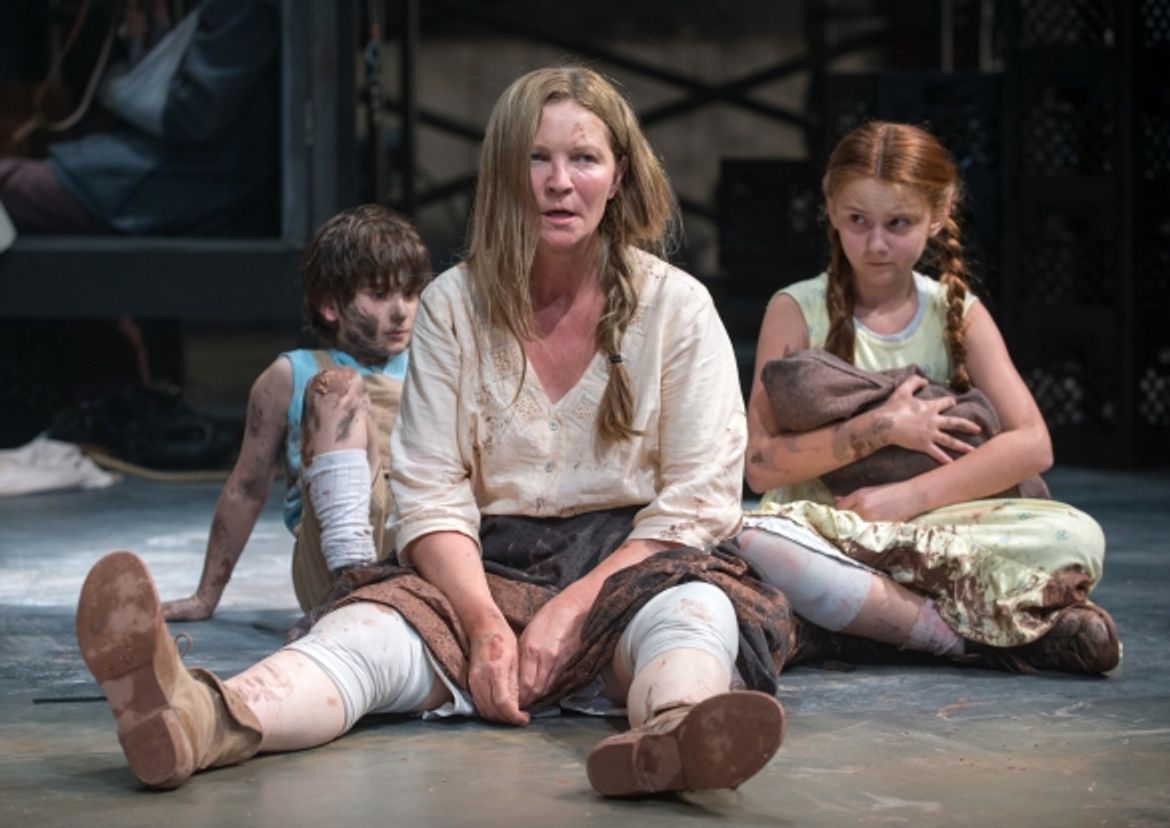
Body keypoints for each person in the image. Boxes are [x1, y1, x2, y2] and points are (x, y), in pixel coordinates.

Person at [75, 65, 796, 796]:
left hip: (632, 568)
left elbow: (699, 500)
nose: (557, 181)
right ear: (505, 177)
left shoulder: (677, 307)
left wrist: (575, 609)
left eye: (583, 158)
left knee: (694, 615)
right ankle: (199, 719)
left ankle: (675, 733)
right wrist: (484, 624)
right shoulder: (455, 303)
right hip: (480, 565)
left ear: (618, 176)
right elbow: (429, 492)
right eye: (535, 158)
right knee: (359, 640)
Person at [738, 120, 1120, 675]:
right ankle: (976, 629)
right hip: (831, 526)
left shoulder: (956, 313)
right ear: (831, 209)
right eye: (857, 221)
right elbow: (760, 466)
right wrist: (882, 429)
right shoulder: (797, 309)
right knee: (757, 540)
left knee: (1078, 536)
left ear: (938, 216)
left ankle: (861, 625)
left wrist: (908, 498)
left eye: (899, 224)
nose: (875, 244)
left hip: (931, 532)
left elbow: (1033, 444)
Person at [162, 203, 431, 620]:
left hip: (423, 551)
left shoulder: (432, 364)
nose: (401, 311)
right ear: (331, 307)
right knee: (337, 387)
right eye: (379, 295)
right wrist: (205, 597)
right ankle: (352, 580)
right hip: (329, 566)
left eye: (410, 294)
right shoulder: (290, 375)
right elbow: (246, 487)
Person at [0, 0, 278, 236]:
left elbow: (191, 117)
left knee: (9, 188)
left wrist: (114, 85)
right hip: (139, 161)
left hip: (185, 179)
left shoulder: (237, 9)